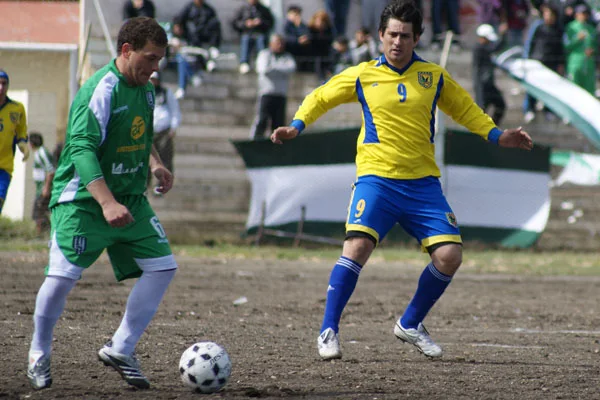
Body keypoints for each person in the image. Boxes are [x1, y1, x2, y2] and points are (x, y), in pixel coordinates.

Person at [270, 0, 533, 361]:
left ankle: (410, 323)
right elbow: (321, 96)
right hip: (377, 179)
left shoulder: (434, 76)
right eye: (391, 34)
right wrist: (297, 125)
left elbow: (466, 109)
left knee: (450, 255)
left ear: (417, 38)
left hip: (423, 184)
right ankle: (328, 329)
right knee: (357, 248)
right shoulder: (363, 74)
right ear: (380, 36)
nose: (397, 41)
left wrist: (496, 135)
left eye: (405, 36)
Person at [26, 17, 177, 390]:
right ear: (126, 51)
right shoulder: (101, 90)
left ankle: (121, 348)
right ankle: (38, 353)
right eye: (150, 58)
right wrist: (106, 203)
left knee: (162, 267)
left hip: (129, 198)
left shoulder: (144, 89)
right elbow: (81, 149)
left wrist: (156, 165)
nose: (155, 67)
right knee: (61, 280)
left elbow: (140, 135)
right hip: (83, 200)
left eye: (160, 59)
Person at [522, 3, 565, 123]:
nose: (549, 17)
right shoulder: (538, 27)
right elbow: (529, 44)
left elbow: (561, 48)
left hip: (552, 63)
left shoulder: (558, 29)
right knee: (532, 88)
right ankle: (529, 110)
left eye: (551, 14)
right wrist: (527, 60)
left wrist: (561, 64)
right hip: (537, 62)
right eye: (547, 14)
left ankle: (548, 110)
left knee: (550, 89)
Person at [250, 34, 296, 140]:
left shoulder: (287, 57)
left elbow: (291, 68)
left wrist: (273, 69)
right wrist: (281, 71)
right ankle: (255, 140)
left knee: (278, 123)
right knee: (262, 120)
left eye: (281, 43)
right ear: (271, 43)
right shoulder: (264, 54)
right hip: (266, 93)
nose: (279, 45)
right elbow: (264, 69)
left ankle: (277, 145)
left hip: (281, 94)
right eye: (277, 43)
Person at [0, 69, 29, 214]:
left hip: (4, 167)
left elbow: (21, 132)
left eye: (4, 84)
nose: (1, 87)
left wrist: (23, 144)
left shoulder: (17, 109)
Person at [149, 71, 181, 193]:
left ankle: (162, 185)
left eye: (155, 80)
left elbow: (175, 110)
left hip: (163, 131)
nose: (153, 82)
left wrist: (173, 127)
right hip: (149, 131)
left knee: (165, 158)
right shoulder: (144, 92)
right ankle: (146, 186)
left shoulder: (166, 93)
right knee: (147, 160)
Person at [472, 24, 506, 125]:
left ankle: (493, 127)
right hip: (481, 85)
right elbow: (495, 47)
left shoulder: (485, 48)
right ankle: (481, 133)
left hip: (489, 84)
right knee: (481, 110)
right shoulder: (479, 48)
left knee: (500, 105)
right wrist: (503, 35)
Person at [232, 0, 275, 75]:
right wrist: (245, 24)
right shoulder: (242, 8)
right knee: (246, 39)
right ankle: (244, 62)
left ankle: (261, 61)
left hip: (259, 33)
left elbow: (270, 23)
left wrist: (261, 23)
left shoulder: (264, 9)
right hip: (246, 32)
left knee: (261, 40)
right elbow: (235, 23)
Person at [564, 4, 597, 95]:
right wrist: (577, 38)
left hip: (588, 63)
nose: (584, 16)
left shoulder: (591, 29)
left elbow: (595, 45)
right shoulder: (570, 27)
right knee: (574, 89)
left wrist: (593, 51)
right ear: (576, 14)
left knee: (589, 91)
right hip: (575, 63)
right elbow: (566, 45)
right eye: (582, 13)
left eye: (586, 13)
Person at [28, 132, 55, 235]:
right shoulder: (38, 152)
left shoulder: (42, 152)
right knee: (39, 212)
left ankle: (42, 234)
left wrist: (46, 188)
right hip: (40, 188)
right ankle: (44, 233)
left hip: (44, 188)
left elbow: (51, 170)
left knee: (39, 212)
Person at [283, 5, 311, 71]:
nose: (296, 16)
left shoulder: (302, 25)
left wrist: (299, 25)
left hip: (301, 52)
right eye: (294, 14)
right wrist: (297, 41)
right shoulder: (286, 25)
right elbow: (287, 37)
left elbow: (306, 35)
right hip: (290, 51)